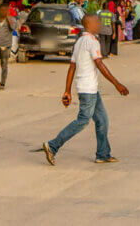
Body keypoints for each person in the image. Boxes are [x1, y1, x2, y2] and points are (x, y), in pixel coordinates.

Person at [42, 14, 128, 166]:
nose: (99, 24)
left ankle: (103, 154)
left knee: (102, 120)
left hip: (89, 89)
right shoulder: (92, 42)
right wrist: (117, 84)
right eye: (97, 22)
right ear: (91, 24)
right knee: (83, 121)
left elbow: (72, 67)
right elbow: (100, 64)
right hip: (88, 90)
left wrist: (67, 91)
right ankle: (53, 145)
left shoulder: (80, 41)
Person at [0, 2, 18, 90]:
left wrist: (8, 17)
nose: (3, 12)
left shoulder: (12, 20)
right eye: (2, 10)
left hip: (5, 47)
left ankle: (3, 83)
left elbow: (13, 28)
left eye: (5, 10)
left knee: (4, 65)